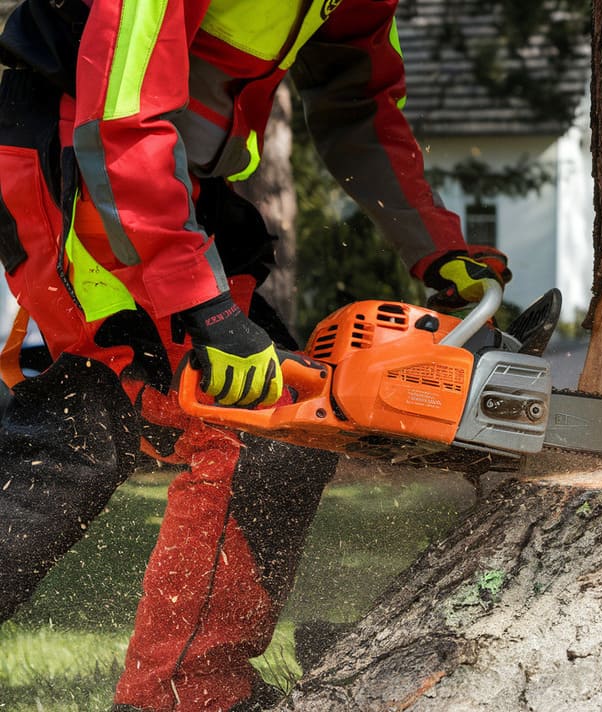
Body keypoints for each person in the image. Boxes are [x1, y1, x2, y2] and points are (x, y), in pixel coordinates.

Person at [0, 0, 509, 709]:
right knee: (250, 423)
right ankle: (182, 696)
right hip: (86, 169)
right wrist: (201, 305)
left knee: (101, 430)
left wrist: (435, 242)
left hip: (178, 188)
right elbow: (116, 120)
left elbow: (359, 100)